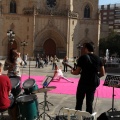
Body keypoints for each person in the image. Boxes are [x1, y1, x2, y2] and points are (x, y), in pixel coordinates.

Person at [71, 42, 105, 114]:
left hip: (83, 83)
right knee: (89, 103)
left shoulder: (82, 57)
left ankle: (78, 118)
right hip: (92, 83)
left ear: (86, 49)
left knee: (79, 103)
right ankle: (88, 118)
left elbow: (77, 72)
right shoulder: (98, 59)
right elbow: (103, 73)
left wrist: (72, 72)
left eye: (84, 48)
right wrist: (96, 76)